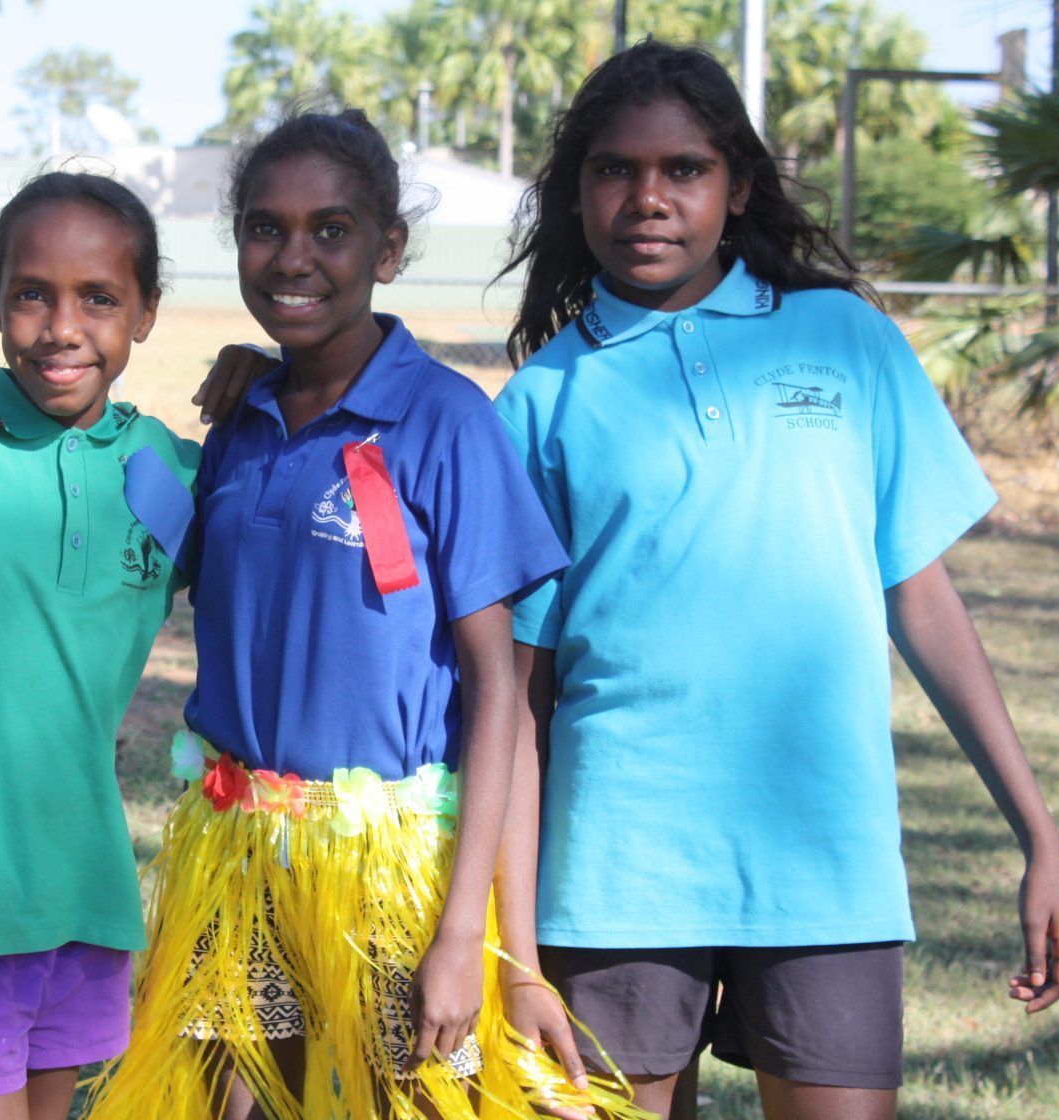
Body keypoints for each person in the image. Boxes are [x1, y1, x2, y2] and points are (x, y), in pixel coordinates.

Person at [490, 41, 1059, 1120]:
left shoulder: (846, 339)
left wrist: (1040, 834)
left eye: (685, 170)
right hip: (616, 870)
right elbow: (516, 698)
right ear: (578, 193)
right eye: (615, 169)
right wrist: (515, 947)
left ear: (738, 186)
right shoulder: (541, 402)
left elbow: (923, 598)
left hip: (826, 857)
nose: (648, 198)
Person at [84, 110, 651, 1120]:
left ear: (388, 250)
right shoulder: (241, 421)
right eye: (266, 228)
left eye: (332, 230)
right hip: (240, 858)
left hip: (395, 877)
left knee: (423, 1097)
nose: (293, 257)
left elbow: (498, 696)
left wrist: (472, 942)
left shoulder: (446, 421)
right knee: (234, 1099)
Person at [0, 172, 200, 1120]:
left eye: (100, 298)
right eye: (33, 293)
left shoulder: (173, 469)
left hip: (86, 893)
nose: (62, 327)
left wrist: (256, 372)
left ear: (144, 312)